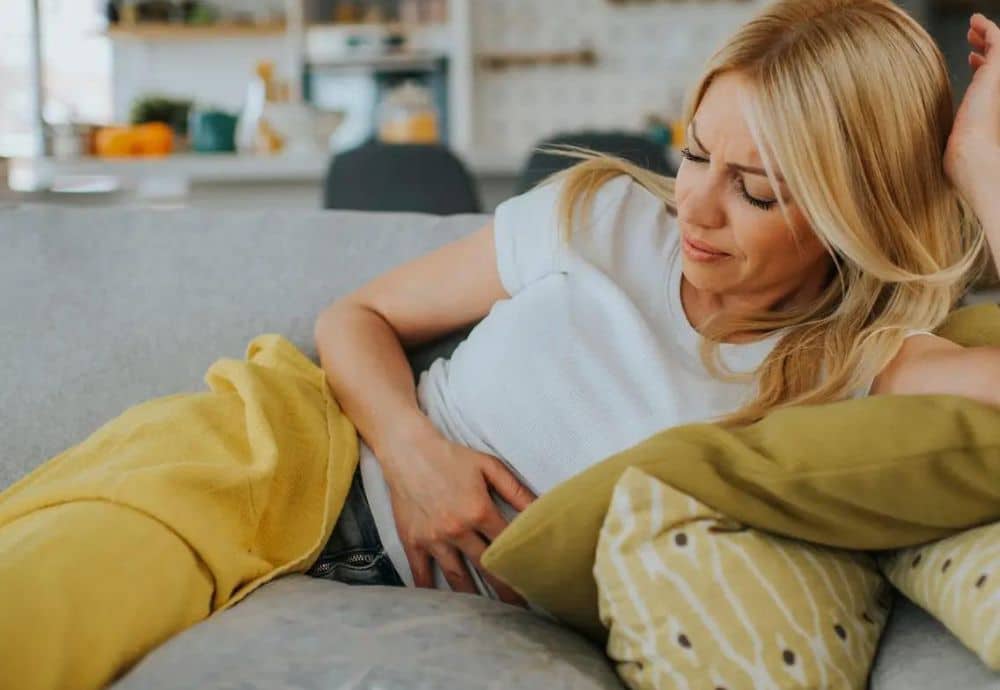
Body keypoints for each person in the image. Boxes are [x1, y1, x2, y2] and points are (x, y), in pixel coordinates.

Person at [3, 1, 1000, 688]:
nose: (694, 206)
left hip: (441, 604)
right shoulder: (607, 214)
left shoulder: (858, 366)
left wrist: (977, 166)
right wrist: (416, 454)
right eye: (696, 152)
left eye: (756, 190)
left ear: (852, 212)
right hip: (281, 462)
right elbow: (355, 318)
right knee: (36, 613)